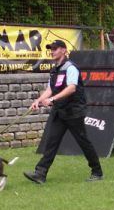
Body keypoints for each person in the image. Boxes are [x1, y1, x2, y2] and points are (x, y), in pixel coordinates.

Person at [23, 39, 104, 184]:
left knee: (83, 142)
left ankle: (97, 171)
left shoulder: (71, 67)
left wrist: (53, 99)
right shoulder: (54, 69)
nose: (52, 51)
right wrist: (38, 101)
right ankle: (40, 173)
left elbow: (72, 88)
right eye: (51, 49)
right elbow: (50, 89)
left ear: (63, 50)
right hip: (59, 111)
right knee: (51, 142)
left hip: (73, 111)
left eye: (55, 48)